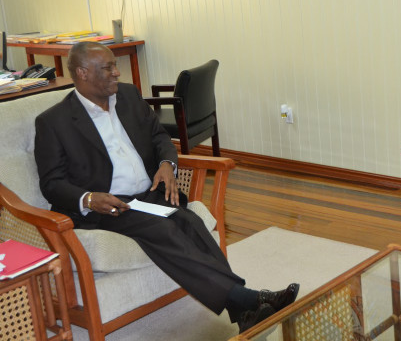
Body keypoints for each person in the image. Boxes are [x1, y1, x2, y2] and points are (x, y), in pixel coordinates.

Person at [34, 41, 299, 332]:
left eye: (114, 66)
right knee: (162, 229)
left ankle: (244, 311)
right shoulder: (54, 122)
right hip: (111, 205)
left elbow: (159, 136)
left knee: (190, 220)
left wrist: (167, 165)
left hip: (149, 193)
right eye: (107, 67)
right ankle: (251, 299)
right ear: (83, 73)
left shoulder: (129, 96)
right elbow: (51, 182)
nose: (116, 73)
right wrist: (87, 198)